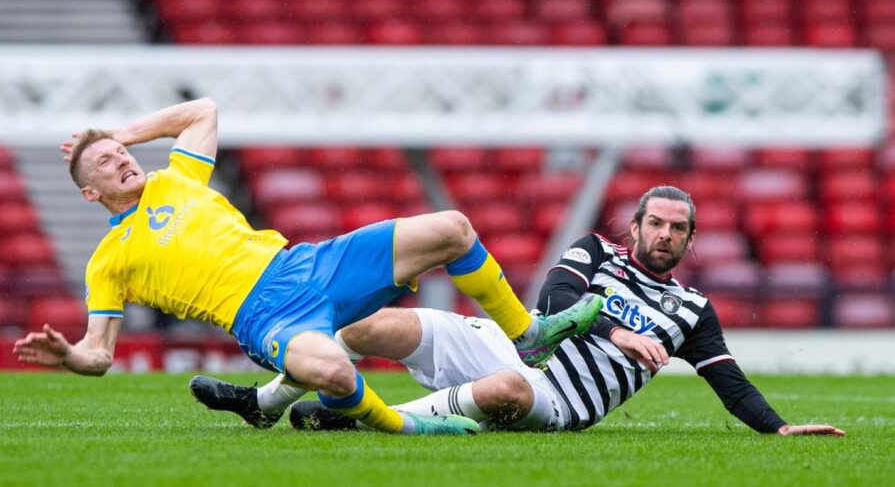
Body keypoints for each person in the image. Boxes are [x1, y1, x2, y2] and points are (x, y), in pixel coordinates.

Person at [11, 97, 602, 436]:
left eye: (121, 154)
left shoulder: (175, 178)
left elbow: (203, 111)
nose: (121, 161)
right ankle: (407, 428)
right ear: (92, 195)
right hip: (260, 315)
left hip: (306, 265)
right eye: (107, 164)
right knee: (337, 376)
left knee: (451, 228)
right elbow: (99, 353)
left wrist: (118, 132)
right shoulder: (107, 261)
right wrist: (69, 357)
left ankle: (526, 335)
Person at [192, 186, 844, 437]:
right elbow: (552, 303)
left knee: (502, 391)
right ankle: (266, 403)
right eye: (656, 223)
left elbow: (725, 377)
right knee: (362, 329)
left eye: (679, 228)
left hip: (558, 401)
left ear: (690, 239)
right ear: (636, 225)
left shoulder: (691, 310)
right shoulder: (594, 250)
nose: (665, 234)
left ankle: (356, 424)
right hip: (513, 345)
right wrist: (615, 329)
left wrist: (775, 428)